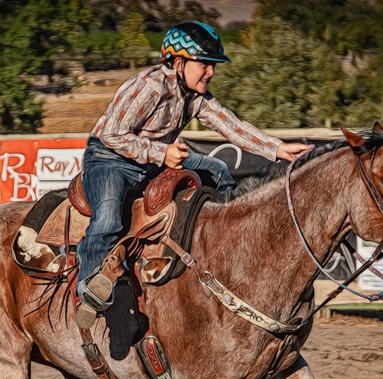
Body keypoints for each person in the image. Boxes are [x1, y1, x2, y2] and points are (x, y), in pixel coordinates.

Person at [75, 21, 311, 328]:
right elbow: (110, 134)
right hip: (108, 159)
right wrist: (162, 153)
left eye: (213, 65)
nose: (210, 72)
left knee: (217, 169)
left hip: (149, 161)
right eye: (205, 64)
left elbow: (233, 127)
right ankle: (88, 286)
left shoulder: (196, 97)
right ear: (178, 62)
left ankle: (226, 239)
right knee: (108, 219)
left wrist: (277, 149)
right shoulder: (149, 85)